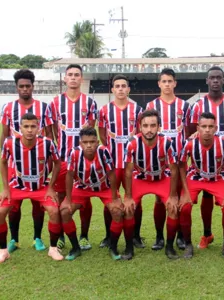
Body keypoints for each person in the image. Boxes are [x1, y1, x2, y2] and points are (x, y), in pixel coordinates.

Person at [0, 113, 63, 264]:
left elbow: (58, 163)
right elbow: (3, 162)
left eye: (33, 126)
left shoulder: (48, 143)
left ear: (38, 128)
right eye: (26, 126)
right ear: (20, 128)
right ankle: (3, 251)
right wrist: (5, 188)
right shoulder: (9, 143)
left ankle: (52, 248)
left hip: (41, 187)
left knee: (54, 211)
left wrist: (51, 187)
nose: (30, 130)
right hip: (16, 187)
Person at [0, 69, 54, 253]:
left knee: (38, 204)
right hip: (16, 165)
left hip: (38, 165)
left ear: (33, 86)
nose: (24, 89)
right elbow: (4, 134)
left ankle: (37, 238)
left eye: (27, 86)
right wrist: (3, 157)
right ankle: (13, 239)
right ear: (16, 87)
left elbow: (48, 134)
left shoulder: (43, 107)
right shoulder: (8, 108)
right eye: (21, 86)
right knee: (14, 206)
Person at [189, 66, 224, 250]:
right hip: (205, 159)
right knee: (206, 194)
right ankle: (207, 234)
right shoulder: (197, 105)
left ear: (223, 80)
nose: (215, 81)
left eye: (218, 78)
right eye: (212, 77)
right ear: (206, 80)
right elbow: (191, 131)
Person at [50, 64, 97, 251]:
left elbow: (91, 131)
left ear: (82, 78)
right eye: (70, 75)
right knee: (62, 198)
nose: (73, 78)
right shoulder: (55, 103)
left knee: (84, 199)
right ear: (64, 78)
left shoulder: (89, 103)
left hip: (83, 160)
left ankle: (84, 236)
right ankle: (61, 235)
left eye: (77, 75)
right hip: (63, 159)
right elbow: (53, 129)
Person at [123, 109, 180, 260]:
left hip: (161, 179)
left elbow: (174, 170)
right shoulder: (132, 143)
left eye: (153, 125)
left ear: (159, 127)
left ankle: (169, 247)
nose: (149, 130)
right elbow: (128, 171)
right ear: (140, 127)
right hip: (140, 179)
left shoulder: (167, 142)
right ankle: (129, 248)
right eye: (145, 126)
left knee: (173, 207)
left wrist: (173, 195)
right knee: (128, 208)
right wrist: (128, 196)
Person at [60, 127, 124, 261]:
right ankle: (75, 247)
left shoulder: (104, 152)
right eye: (85, 142)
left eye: (92, 141)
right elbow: (69, 175)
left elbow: (112, 175)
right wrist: (68, 199)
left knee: (117, 211)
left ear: (97, 142)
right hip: (82, 188)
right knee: (65, 211)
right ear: (80, 143)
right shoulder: (74, 153)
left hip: (103, 188)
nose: (89, 145)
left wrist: (114, 198)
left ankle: (113, 247)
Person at [178, 112, 224, 259]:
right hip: (196, 178)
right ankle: (188, 245)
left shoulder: (223, 144)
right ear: (198, 127)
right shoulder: (190, 144)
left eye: (211, 126)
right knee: (184, 207)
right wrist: (185, 192)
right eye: (204, 126)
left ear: (216, 128)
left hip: (217, 178)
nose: (207, 130)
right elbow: (181, 165)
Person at [145, 68, 189, 251]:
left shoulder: (184, 106)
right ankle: (159, 236)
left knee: (177, 198)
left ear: (175, 83)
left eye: (170, 81)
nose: (167, 85)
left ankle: (178, 235)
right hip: (160, 162)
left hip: (180, 161)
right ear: (159, 84)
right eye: (164, 81)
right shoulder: (151, 106)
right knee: (159, 200)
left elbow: (190, 131)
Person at [98, 74, 143, 249]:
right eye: (117, 86)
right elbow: (102, 135)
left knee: (134, 201)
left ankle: (136, 236)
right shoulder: (104, 110)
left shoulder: (138, 110)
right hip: (113, 165)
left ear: (128, 89)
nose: (121, 89)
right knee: (110, 200)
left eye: (124, 86)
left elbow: (140, 134)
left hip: (132, 165)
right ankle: (109, 235)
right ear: (113, 90)